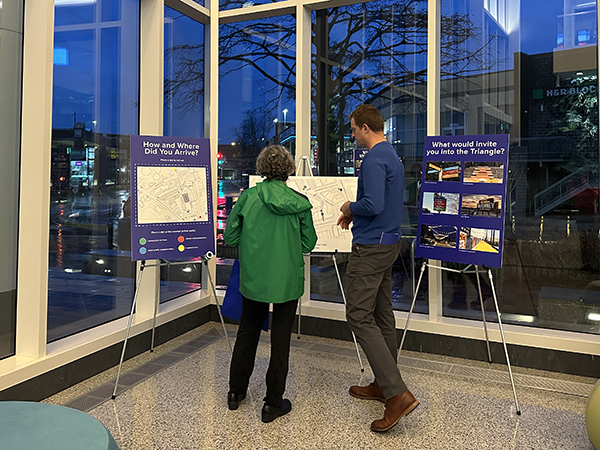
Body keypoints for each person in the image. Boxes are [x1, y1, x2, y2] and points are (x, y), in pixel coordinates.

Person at [337, 104, 419, 432]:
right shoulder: (392, 157)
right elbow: (383, 203)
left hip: (370, 249)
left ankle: (396, 394)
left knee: (357, 314)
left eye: (354, 129)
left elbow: (372, 203)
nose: (353, 134)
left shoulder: (372, 158)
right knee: (382, 313)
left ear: (367, 128)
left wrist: (348, 206)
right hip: (389, 243)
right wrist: (356, 214)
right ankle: (384, 384)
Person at [223, 145, 317, 423]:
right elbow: (308, 243)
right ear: (289, 169)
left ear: (262, 168)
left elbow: (230, 237)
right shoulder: (300, 202)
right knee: (280, 340)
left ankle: (235, 393)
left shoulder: (248, 198)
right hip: (287, 281)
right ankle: (272, 404)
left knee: (247, 333)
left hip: (254, 279)